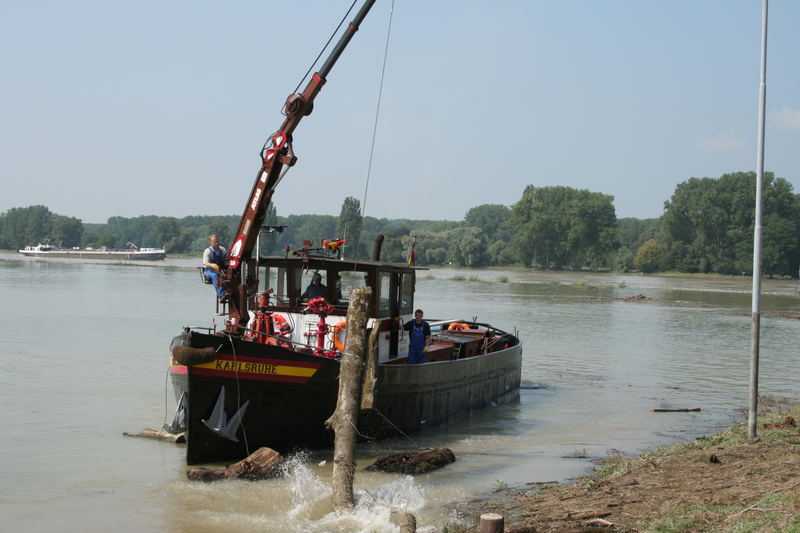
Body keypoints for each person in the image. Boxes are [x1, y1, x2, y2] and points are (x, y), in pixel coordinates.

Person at [203, 234, 227, 301]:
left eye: (217, 242)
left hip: (220, 269)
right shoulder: (207, 251)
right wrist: (212, 265)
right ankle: (221, 295)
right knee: (214, 275)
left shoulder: (222, 250)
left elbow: (226, 260)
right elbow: (205, 263)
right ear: (210, 243)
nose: (216, 243)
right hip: (209, 270)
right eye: (214, 242)